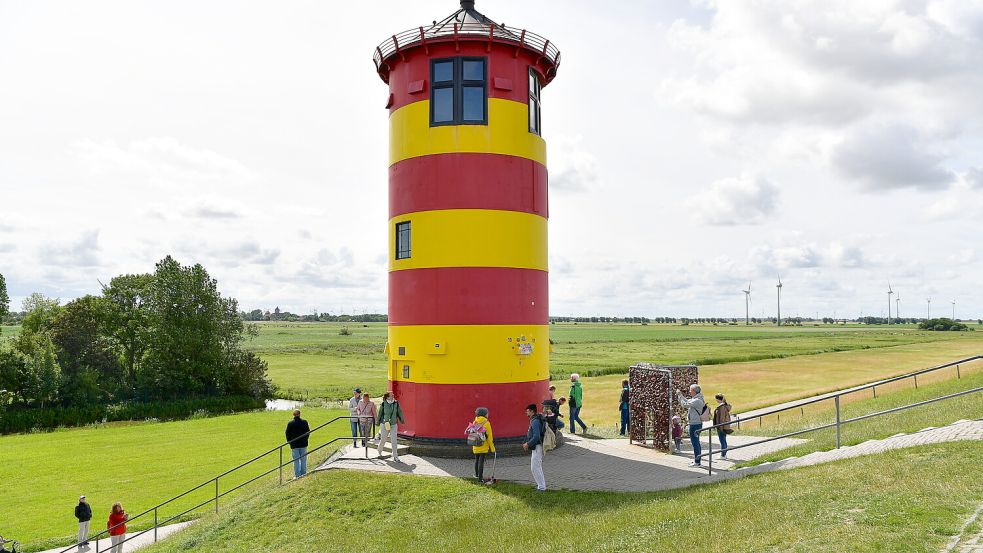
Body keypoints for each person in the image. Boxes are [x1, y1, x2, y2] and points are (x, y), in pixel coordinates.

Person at [676, 384, 707, 467]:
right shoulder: (697, 399)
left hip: (694, 425)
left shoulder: (697, 400)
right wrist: (681, 396)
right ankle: (697, 461)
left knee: (695, 443)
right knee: (696, 443)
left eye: (690, 390)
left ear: (694, 391)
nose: (689, 391)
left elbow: (684, 404)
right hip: (695, 424)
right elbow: (687, 402)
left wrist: (679, 395)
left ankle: (697, 462)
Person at [522, 404, 546, 491]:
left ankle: (541, 487)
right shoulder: (534, 419)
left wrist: (527, 444)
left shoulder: (535, 421)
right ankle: (541, 486)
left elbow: (536, 436)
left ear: (532, 411)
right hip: (536, 447)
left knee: (535, 467)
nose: (526, 412)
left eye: (527, 411)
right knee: (536, 467)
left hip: (537, 447)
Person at [469, 407, 496, 483]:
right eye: (487, 413)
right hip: (483, 445)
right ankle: (480, 479)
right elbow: (489, 437)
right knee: (481, 461)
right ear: (484, 414)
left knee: (477, 460)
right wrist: (492, 448)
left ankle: (477, 475)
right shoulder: (486, 423)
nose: (488, 414)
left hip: (475, 444)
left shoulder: (475, 422)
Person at [377, 391, 405, 462]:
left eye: (393, 394)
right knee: (383, 439)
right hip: (384, 424)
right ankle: (379, 451)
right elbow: (380, 413)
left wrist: (402, 420)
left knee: (394, 440)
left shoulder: (396, 403)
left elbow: (399, 412)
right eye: (391, 394)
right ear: (387, 397)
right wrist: (377, 422)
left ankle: (395, 456)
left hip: (393, 424)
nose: (393, 395)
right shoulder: (383, 404)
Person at [285, 409, 311, 478]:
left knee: (296, 461)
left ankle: (297, 475)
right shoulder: (304, 422)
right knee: (303, 460)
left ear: (293, 414)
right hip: (303, 444)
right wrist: (305, 439)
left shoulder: (290, 423)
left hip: (294, 445)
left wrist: (290, 442)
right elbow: (308, 432)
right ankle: (303, 473)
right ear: (299, 414)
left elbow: (287, 434)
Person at [713, 393, 733, 459]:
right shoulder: (724, 406)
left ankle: (723, 455)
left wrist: (720, 428)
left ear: (719, 399)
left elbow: (721, 419)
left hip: (721, 427)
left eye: (716, 399)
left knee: (722, 441)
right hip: (724, 426)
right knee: (724, 440)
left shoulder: (721, 407)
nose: (716, 400)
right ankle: (724, 454)